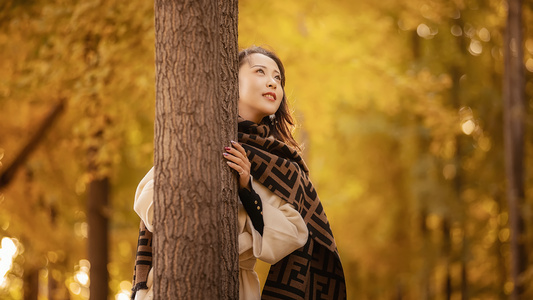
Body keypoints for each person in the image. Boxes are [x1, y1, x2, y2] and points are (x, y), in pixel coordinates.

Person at [131, 46, 346, 300]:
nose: (272, 82)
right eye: (260, 72)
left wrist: (247, 189)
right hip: (173, 281)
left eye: (278, 78)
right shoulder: (197, 136)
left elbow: (294, 234)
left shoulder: (284, 165)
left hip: (235, 286)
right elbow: (148, 201)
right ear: (232, 81)